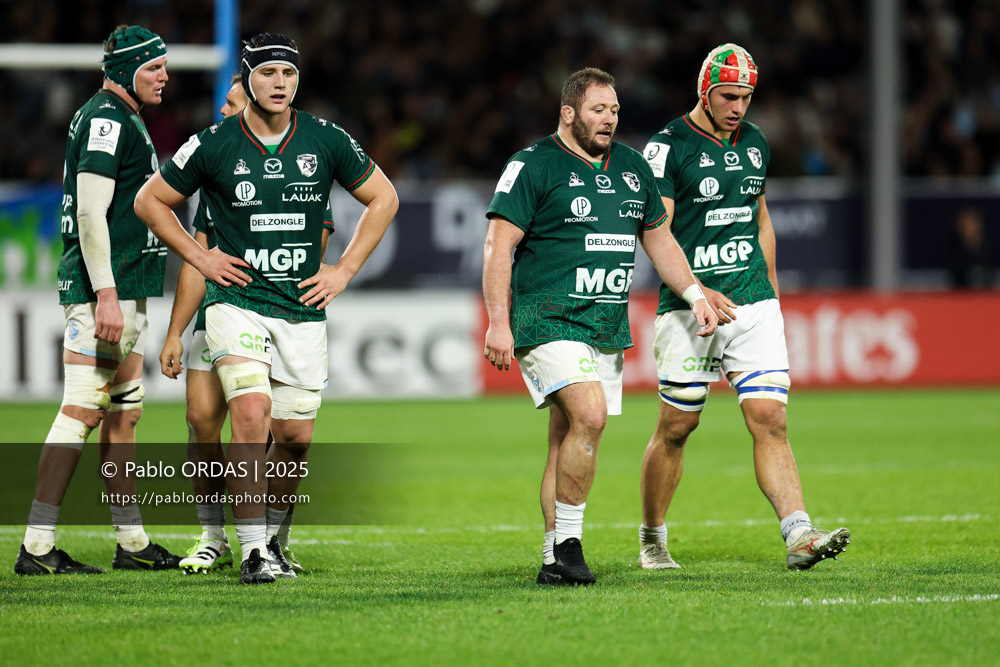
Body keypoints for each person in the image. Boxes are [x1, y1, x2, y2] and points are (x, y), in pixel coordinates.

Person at [136, 33, 398, 584]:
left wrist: (343, 271)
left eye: (289, 74)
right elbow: (149, 201)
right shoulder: (212, 143)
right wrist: (201, 258)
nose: (280, 83)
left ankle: (274, 540)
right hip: (237, 303)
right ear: (247, 78)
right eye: (267, 73)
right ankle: (249, 548)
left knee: (296, 438)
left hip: (300, 309)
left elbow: (385, 197)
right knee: (248, 415)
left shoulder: (325, 140)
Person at [483, 67, 717, 586]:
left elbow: (661, 242)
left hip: (603, 325)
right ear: (568, 114)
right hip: (545, 317)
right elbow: (499, 247)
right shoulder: (533, 165)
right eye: (597, 110)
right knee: (590, 414)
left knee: (567, 435)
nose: (608, 119)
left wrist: (695, 293)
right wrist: (499, 323)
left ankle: (551, 559)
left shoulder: (633, 169)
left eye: (614, 110)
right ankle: (570, 544)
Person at [638, 43, 850, 571]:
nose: (738, 107)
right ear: (703, 91)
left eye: (746, 98)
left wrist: (772, 290)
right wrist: (694, 290)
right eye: (728, 96)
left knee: (769, 417)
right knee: (677, 427)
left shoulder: (754, 143)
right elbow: (656, 230)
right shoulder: (666, 148)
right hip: (690, 308)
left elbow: (759, 218)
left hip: (753, 304)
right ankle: (652, 536)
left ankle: (799, 535)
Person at [14, 25, 181, 576]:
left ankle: (130, 541)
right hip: (102, 291)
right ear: (128, 69)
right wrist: (105, 294)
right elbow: (90, 212)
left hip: (127, 287)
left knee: (124, 416)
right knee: (83, 408)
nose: (165, 76)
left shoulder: (119, 115)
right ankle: (36, 546)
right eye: (154, 67)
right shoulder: (108, 119)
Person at [158, 74, 335, 576]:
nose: (222, 112)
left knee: (284, 430)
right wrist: (177, 329)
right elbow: (200, 257)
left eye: (230, 102)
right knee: (202, 420)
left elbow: (312, 251)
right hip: (221, 307)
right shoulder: (216, 168)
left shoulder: (305, 170)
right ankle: (216, 534)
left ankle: (271, 537)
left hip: (278, 308)